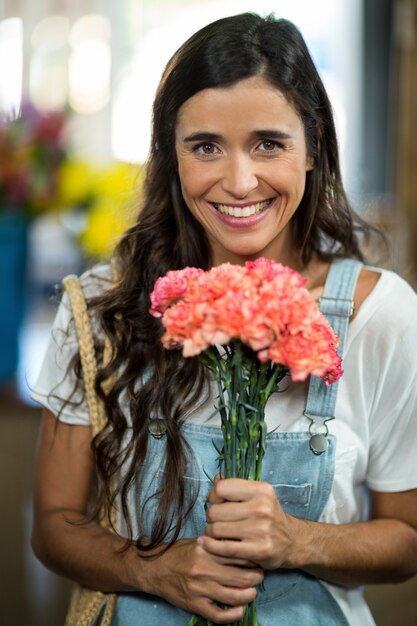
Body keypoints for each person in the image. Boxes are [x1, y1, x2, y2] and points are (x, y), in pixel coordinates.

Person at [31, 12, 417, 626]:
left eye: (269, 143)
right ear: (171, 156)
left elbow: (407, 538)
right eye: (205, 146)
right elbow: (53, 527)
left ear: (314, 147)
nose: (240, 182)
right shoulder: (102, 309)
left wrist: (297, 540)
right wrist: (153, 568)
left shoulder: (383, 315)